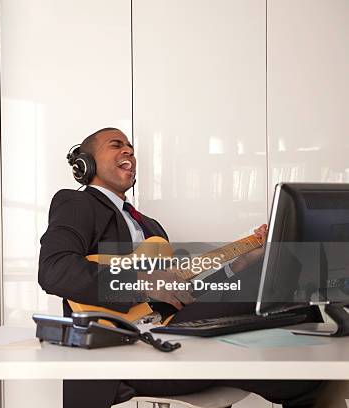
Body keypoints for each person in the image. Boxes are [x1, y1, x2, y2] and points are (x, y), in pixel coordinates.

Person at [38, 127, 323, 408]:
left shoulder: (151, 227)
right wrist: (141, 281)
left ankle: (315, 375)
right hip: (129, 350)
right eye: (116, 145)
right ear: (85, 164)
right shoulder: (77, 202)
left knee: (277, 290)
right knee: (283, 317)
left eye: (131, 148)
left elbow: (182, 294)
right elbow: (54, 269)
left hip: (172, 332)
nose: (129, 151)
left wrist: (239, 264)